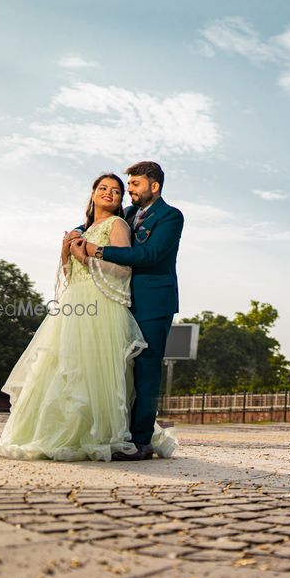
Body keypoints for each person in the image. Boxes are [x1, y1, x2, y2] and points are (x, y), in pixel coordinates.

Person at [0, 173, 176, 461]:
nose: (112, 194)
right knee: (65, 367)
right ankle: (56, 431)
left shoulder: (139, 220)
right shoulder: (92, 226)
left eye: (121, 189)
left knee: (114, 371)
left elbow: (137, 262)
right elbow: (70, 272)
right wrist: (67, 252)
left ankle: (132, 438)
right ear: (92, 192)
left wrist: (89, 255)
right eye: (103, 188)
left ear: (153, 186)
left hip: (117, 303)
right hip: (75, 303)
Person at [72, 161, 184, 462]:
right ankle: (116, 430)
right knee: (119, 369)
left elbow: (150, 255)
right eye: (128, 185)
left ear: (154, 186)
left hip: (154, 303)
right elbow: (98, 226)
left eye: (134, 184)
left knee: (146, 369)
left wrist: (96, 251)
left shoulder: (171, 217)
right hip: (120, 301)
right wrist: (75, 234)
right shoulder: (130, 214)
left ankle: (142, 441)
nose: (129, 190)